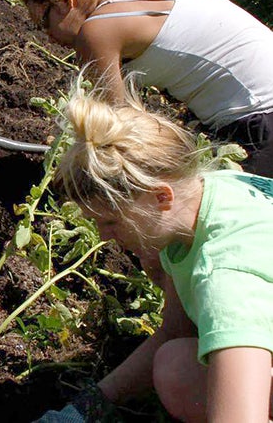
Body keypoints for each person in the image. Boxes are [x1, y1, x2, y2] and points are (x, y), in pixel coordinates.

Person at [35, 77, 273, 421]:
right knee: (175, 364)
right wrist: (84, 409)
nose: (103, 236)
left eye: (112, 222)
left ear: (162, 197)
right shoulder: (206, 198)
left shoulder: (227, 276)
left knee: (181, 377)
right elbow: (177, 331)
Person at [20, 0, 273, 178]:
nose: (46, 35)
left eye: (44, 22)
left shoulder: (96, 33)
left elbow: (120, 130)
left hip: (259, 120)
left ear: (64, 0)